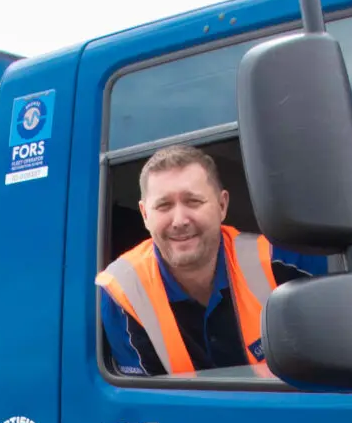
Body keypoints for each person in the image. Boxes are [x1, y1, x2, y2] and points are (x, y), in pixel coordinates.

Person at [98, 144, 310, 376]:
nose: (179, 220)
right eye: (164, 205)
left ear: (222, 205)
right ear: (145, 215)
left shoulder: (282, 261)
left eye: (193, 202)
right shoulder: (121, 291)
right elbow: (146, 404)